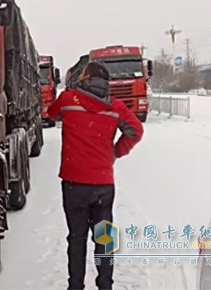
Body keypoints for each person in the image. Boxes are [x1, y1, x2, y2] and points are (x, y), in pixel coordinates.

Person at [47, 61, 143, 290]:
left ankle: (76, 286)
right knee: (104, 238)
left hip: (74, 184)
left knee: (76, 238)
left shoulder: (69, 100)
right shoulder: (115, 106)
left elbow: (51, 114)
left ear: (84, 78)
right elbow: (136, 130)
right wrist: (115, 152)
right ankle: (105, 285)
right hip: (103, 185)